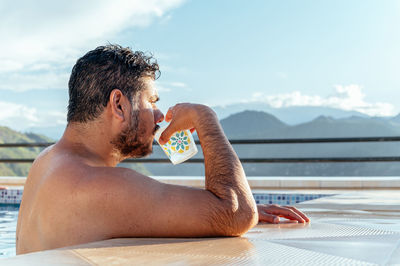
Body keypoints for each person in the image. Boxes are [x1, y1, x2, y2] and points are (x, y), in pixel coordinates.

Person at [16, 44, 309, 255]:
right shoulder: (98, 185)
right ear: (119, 104)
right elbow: (237, 213)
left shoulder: (47, 162)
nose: (158, 116)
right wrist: (206, 119)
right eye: (151, 101)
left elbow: (123, 210)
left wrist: (202, 212)